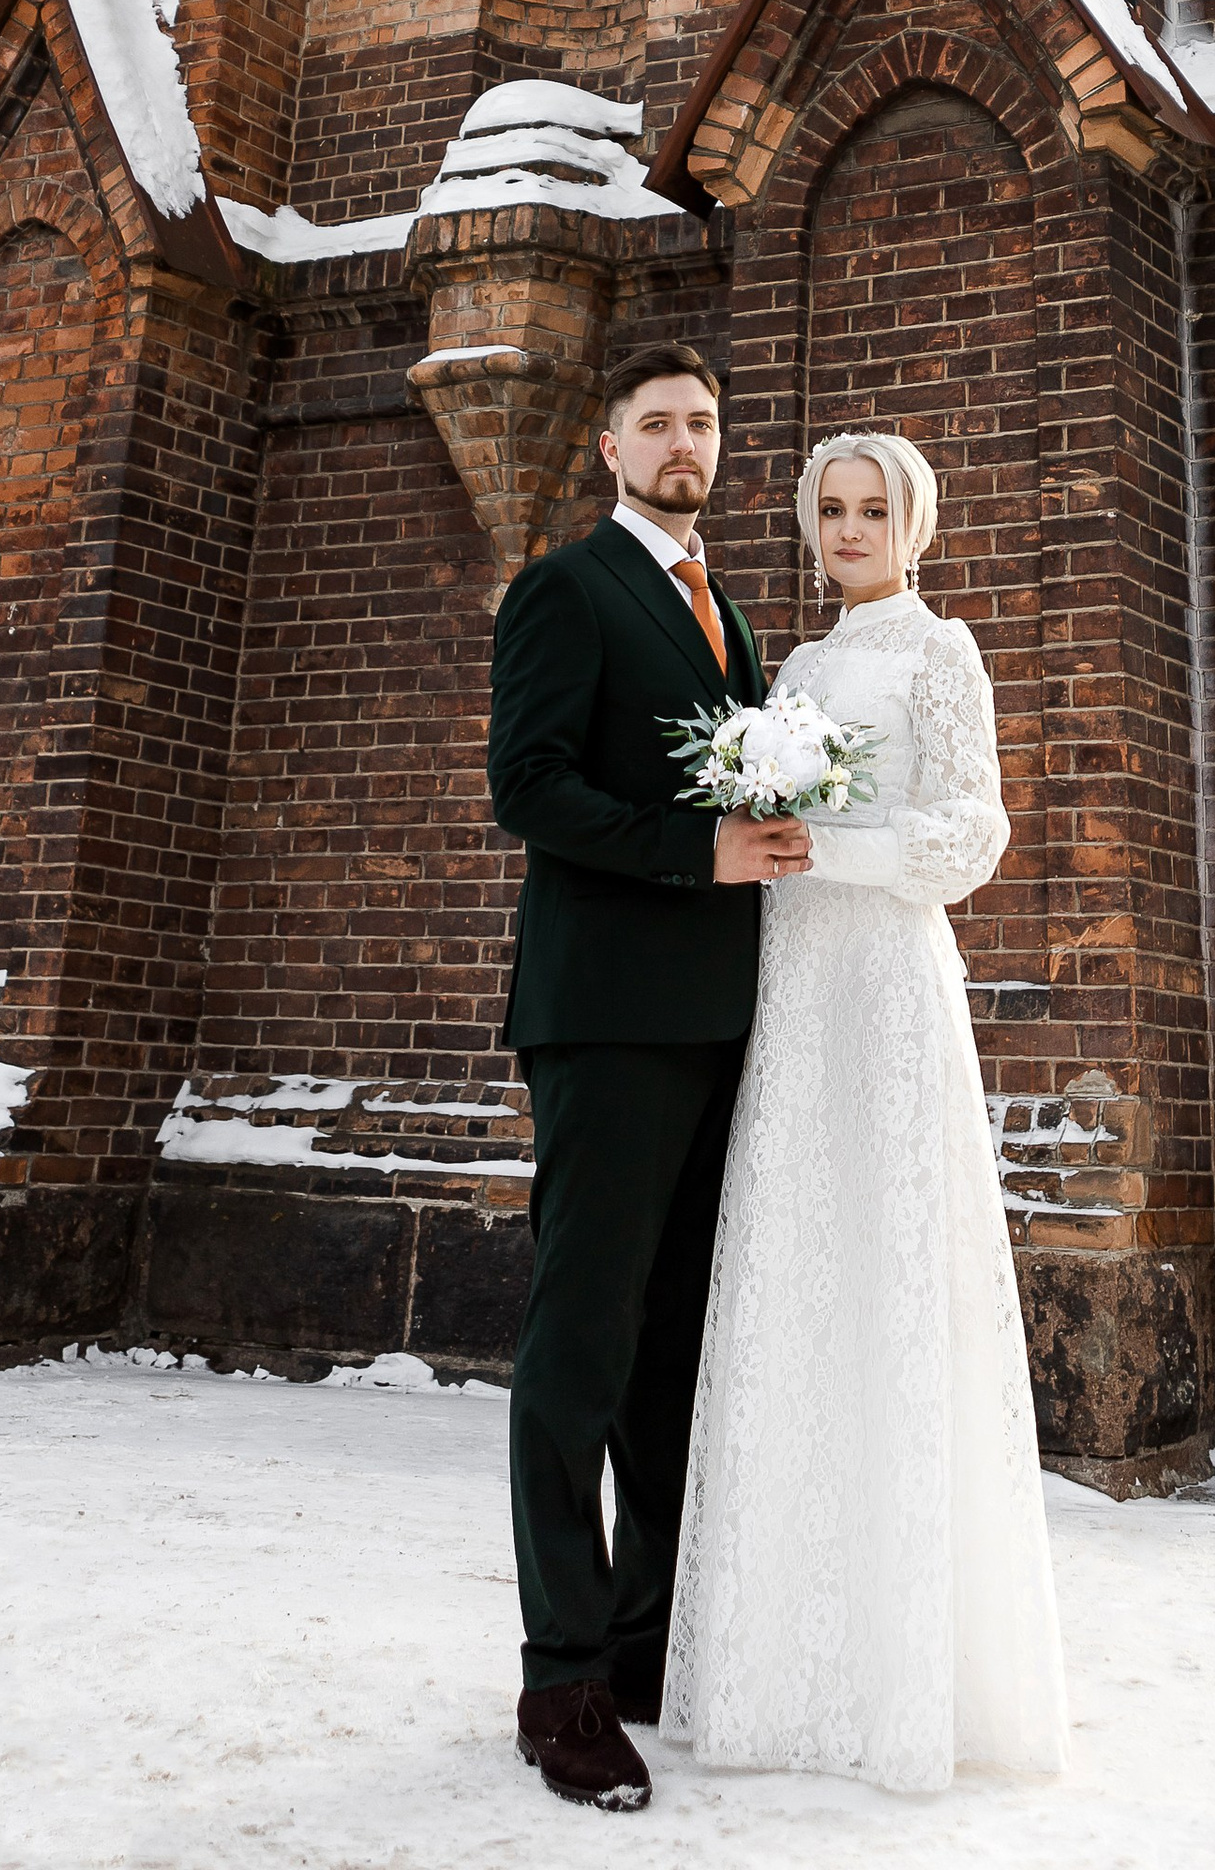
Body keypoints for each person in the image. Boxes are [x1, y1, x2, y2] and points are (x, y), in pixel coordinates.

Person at [662, 430, 1071, 1793]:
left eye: (871, 509)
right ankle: (776, 1673)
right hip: (798, 986)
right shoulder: (795, 672)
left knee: (893, 1281)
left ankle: (908, 1684)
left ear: (914, 522)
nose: (847, 529)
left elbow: (973, 835)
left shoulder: (941, 652)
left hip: (890, 984)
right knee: (799, 1277)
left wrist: (824, 844)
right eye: (830, 509)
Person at [487, 341, 813, 1814]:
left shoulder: (729, 608)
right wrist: (700, 850)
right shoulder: (568, 588)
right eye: (658, 425)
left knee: (676, 1353)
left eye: (703, 424)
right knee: (580, 1347)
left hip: (716, 1023)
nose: (686, 443)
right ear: (610, 448)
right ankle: (559, 1680)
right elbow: (530, 784)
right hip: (606, 1019)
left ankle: (640, 1644)